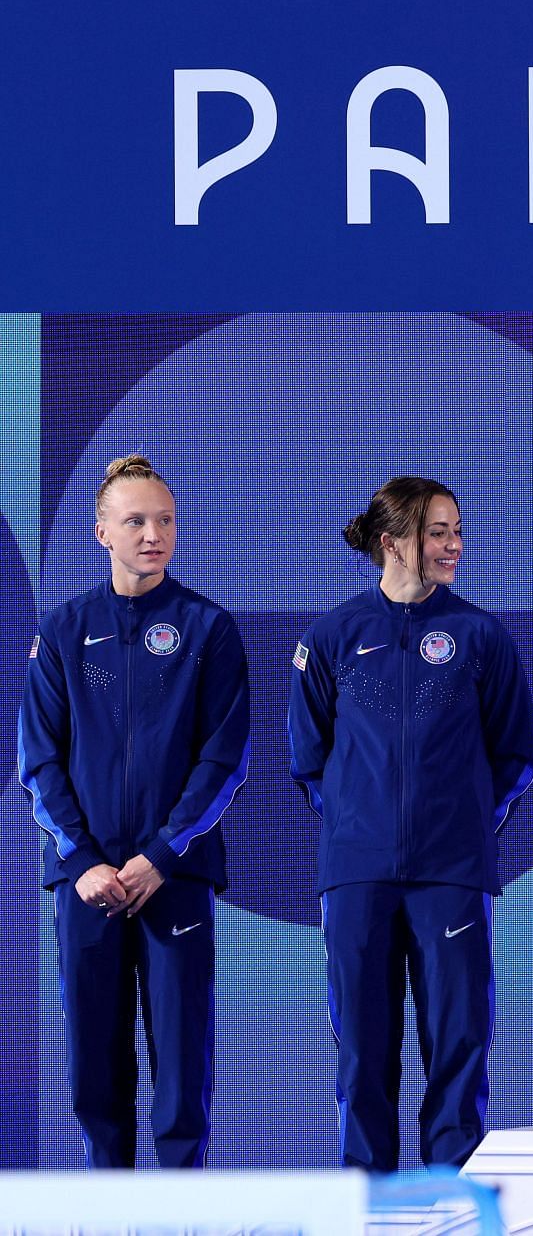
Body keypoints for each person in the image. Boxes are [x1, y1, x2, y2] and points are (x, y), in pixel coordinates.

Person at [288, 477, 533, 1171]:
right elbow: (309, 760)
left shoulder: (481, 636)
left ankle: (453, 1200)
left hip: (452, 873)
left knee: (458, 1045)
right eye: (437, 532)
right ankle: (366, 1200)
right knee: (363, 1050)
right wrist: (358, 824)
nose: (454, 544)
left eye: (457, 530)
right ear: (392, 543)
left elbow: (515, 753)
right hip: (357, 875)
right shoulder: (333, 636)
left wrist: (459, 824)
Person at [18, 454, 250, 1168]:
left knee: (182, 1066)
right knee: (96, 1066)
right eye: (136, 521)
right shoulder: (63, 632)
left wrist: (161, 855)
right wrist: (85, 862)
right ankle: (108, 1207)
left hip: (174, 879)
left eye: (165, 520)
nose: (154, 534)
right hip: (88, 887)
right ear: (102, 533)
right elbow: (41, 762)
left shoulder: (207, 628)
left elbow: (224, 759)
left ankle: (180, 1210)